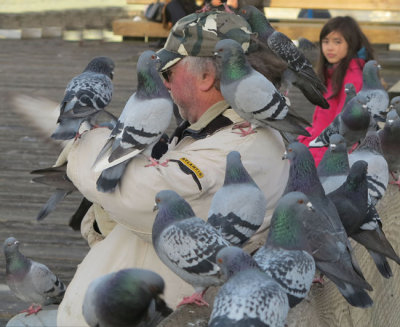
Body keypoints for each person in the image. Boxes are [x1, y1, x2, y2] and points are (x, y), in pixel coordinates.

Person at [51, 11, 289, 326]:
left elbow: (142, 198)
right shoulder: (214, 131)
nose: (163, 83)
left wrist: (84, 140)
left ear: (206, 78)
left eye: (168, 72)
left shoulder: (240, 148)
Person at [298, 16, 375, 166]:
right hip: (319, 141)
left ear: (351, 44)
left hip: (330, 153)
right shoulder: (332, 72)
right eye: (326, 41)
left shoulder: (353, 79)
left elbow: (343, 130)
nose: (329, 47)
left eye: (337, 42)